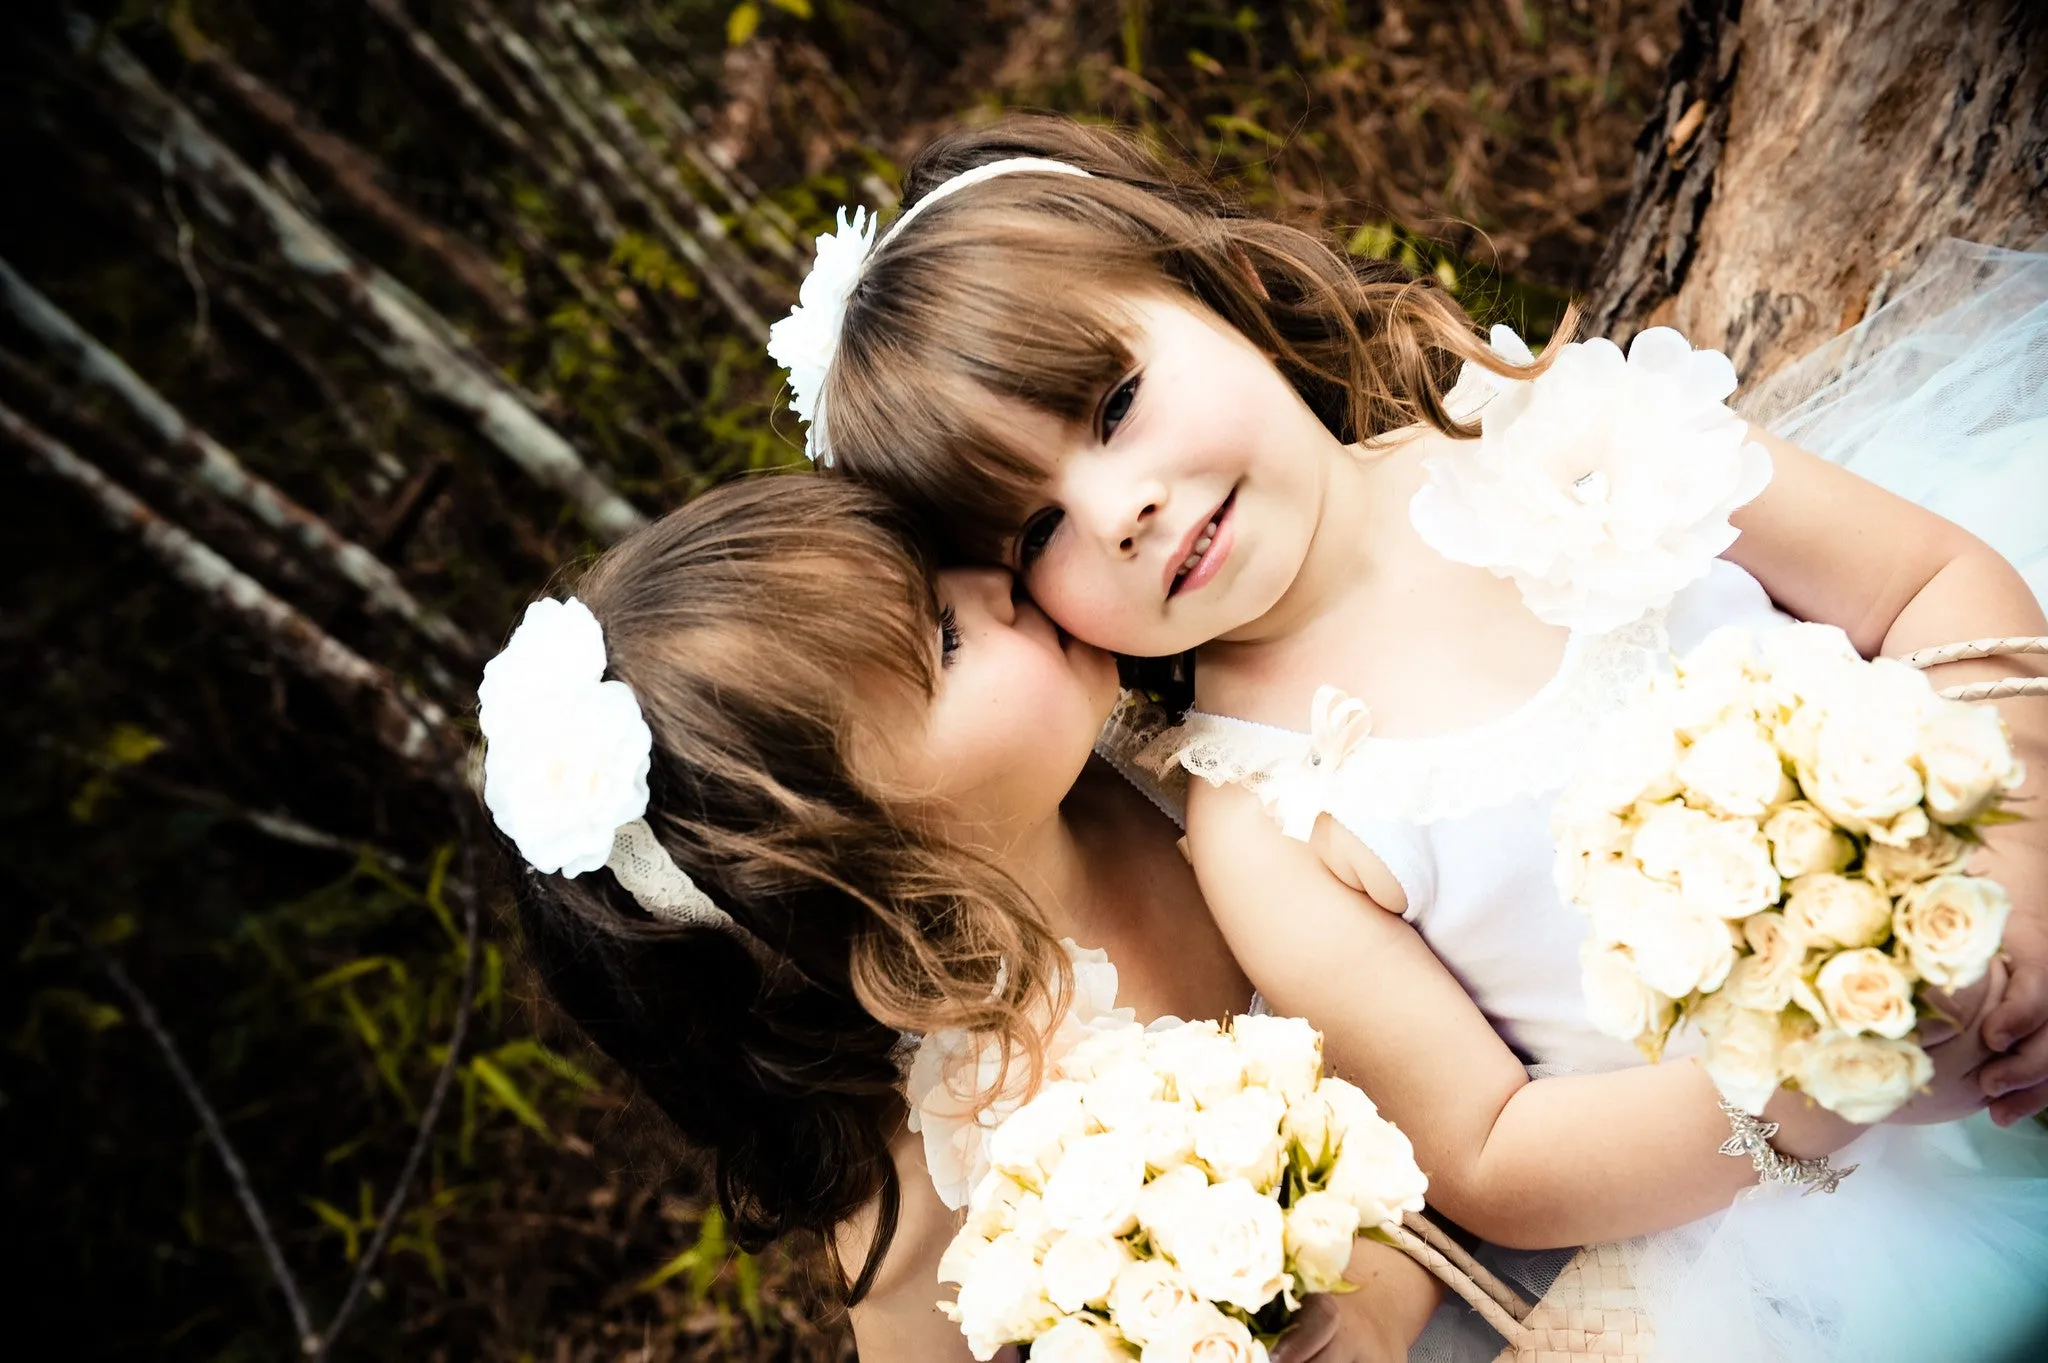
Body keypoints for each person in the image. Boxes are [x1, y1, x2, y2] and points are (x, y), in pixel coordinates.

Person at [773, 114, 2048, 1359]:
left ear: (1214, 283)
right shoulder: (1263, 820)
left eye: (1112, 404)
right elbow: (1492, 1148)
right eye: (1035, 533)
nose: (1121, 509)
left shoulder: (1567, 436)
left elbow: (1927, 585)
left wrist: (2018, 874)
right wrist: (1812, 1092)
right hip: (1816, 1196)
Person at [477, 475, 1444, 1363]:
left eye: (936, 567)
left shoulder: (1175, 753)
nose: (995, 581)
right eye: (943, 637)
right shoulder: (945, 1193)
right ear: (867, 865)